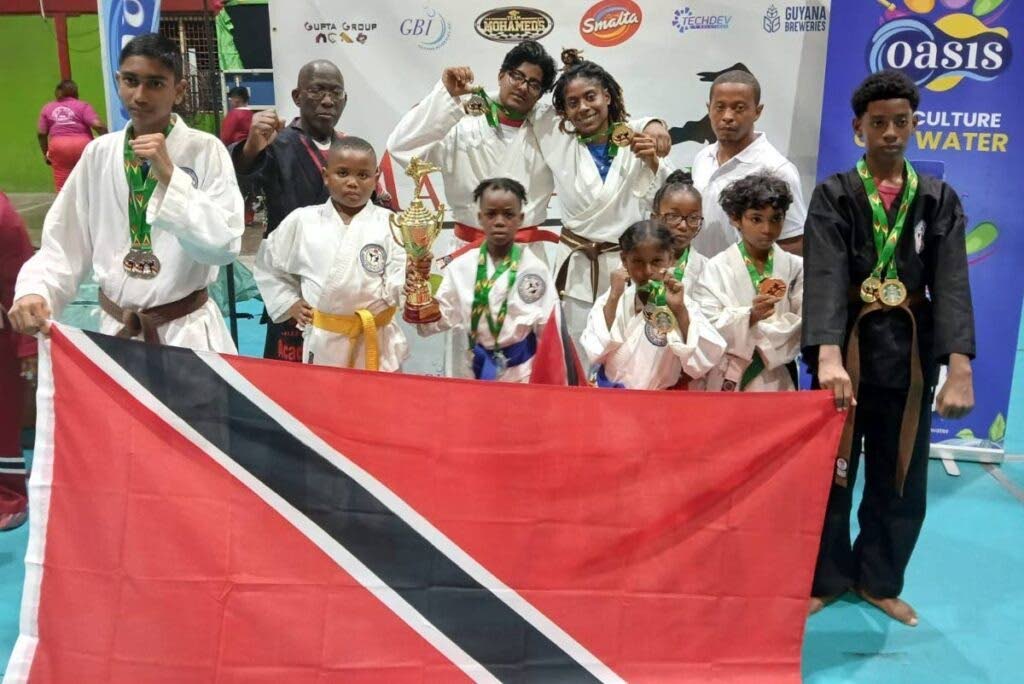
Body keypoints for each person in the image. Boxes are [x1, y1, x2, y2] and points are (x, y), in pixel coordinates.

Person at [804, 70, 975, 626]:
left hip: (910, 356)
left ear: (915, 125)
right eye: (878, 123)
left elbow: (950, 281)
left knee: (899, 471)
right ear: (859, 128)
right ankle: (827, 578)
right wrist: (827, 355)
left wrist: (960, 366)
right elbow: (826, 274)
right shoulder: (834, 194)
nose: (891, 133)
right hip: (849, 350)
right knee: (833, 470)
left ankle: (879, 580)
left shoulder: (937, 197)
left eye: (901, 122)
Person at [9, 33, 244, 353]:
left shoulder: (205, 151)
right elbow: (62, 245)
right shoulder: (98, 154)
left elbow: (224, 246)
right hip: (115, 332)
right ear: (118, 81)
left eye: (155, 83)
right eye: (131, 81)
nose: (140, 95)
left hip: (187, 334)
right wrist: (36, 290)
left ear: (178, 90)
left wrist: (171, 177)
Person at [534, 51, 673, 341]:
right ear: (564, 112)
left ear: (607, 97)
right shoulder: (558, 141)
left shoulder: (636, 141)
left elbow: (663, 201)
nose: (583, 108)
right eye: (573, 103)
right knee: (579, 347)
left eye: (591, 97)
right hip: (579, 269)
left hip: (629, 265)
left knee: (629, 348)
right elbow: (516, 102)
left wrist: (652, 148)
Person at [386, 40, 560, 263]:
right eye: (517, 76)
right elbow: (401, 146)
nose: (523, 87)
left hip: (527, 257)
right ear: (501, 75)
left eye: (534, 84)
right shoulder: (463, 124)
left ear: (539, 94)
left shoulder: (550, 131)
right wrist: (447, 96)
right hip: (468, 254)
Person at [231, 59, 353, 361]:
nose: (327, 100)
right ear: (298, 97)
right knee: (290, 385)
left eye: (335, 93)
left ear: (344, 100)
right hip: (292, 288)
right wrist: (250, 148)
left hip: (341, 285)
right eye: (317, 90)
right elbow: (242, 180)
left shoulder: (350, 150)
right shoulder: (277, 143)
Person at [254, 137, 407, 371]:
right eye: (343, 173)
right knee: (323, 404)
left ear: (376, 178)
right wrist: (289, 302)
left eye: (363, 175)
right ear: (326, 176)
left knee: (379, 405)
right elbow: (269, 266)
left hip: (377, 338)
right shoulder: (302, 221)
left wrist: (411, 289)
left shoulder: (391, 223)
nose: (352, 183)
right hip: (325, 339)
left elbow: (399, 277)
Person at [414, 178, 556, 382]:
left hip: (524, 372)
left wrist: (547, 381)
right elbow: (441, 317)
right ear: (480, 217)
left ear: (520, 218)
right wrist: (420, 299)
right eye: (491, 214)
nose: (499, 221)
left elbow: (548, 331)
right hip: (474, 367)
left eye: (508, 214)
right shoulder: (461, 267)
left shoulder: (535, 269)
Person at [581, 219, 724, 390]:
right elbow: (594, 351)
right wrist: (613, 296)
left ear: (670, 259)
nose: (648, 271)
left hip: (659, 401)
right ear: (624, 260)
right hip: (610, 396)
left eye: (656, 262)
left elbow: (704, 360)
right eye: (638, 262)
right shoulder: (613, 298)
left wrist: (679, 310)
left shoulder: (681, 304)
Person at [692, 172, 802, 391]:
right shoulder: (715, 268)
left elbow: (801, 323)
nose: (767, 229)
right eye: (756, 219)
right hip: (728, 375)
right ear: (735, 218)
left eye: (776, 219)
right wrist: (749, 316)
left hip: (778, 375)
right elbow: (707, 324)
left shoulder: (797, 267)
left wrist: (750, 331)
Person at [690, 70, 806, 258]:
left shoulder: (776, 169)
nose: (727, 116)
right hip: (699, 279)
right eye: (720, 107)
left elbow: (793, 242)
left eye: (739, 108)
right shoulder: (702, 157)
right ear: (708, 109)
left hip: (746, 282)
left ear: (757, 112)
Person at [0, 193, 35, 531]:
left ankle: (9, 495)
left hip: (2, 340)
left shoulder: (3, 219)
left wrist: (27, 346)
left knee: (2, 421)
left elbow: (20, 287)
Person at [37, 79, 107, 191]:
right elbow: (99, 126)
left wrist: (45, 153)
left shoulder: (47, 108)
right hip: (82, 146)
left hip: (59, 147)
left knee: (63, 187)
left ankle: (66, 207)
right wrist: (107, 143)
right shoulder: (83, 106)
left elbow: (41, 133)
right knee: (88, 182)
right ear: (75, 92)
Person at [651, 169, 708, 292]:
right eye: (673, 216)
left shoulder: (708, 269)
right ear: (654, 219)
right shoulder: (636, 261)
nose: (683, 226)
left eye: (693, 218)